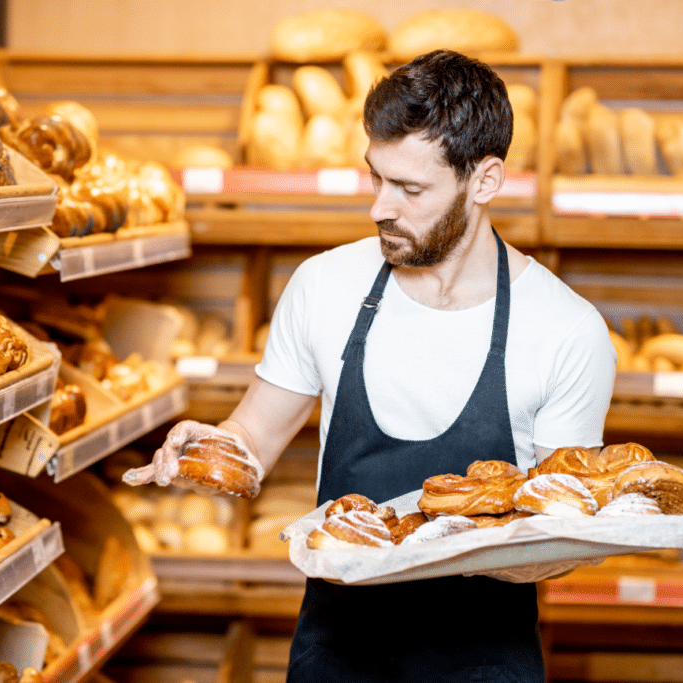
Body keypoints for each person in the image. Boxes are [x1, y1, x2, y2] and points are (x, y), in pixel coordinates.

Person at [124, 49, 617, 682]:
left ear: (485, 181)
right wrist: (211, 451)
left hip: (483, 662)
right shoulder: (323, 287)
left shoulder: (563, 328)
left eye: (410, 189)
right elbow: (254, 441)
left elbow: (562, 526)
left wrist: (445, 546)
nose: (380, 208)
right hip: (336, 655)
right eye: (375, 178)